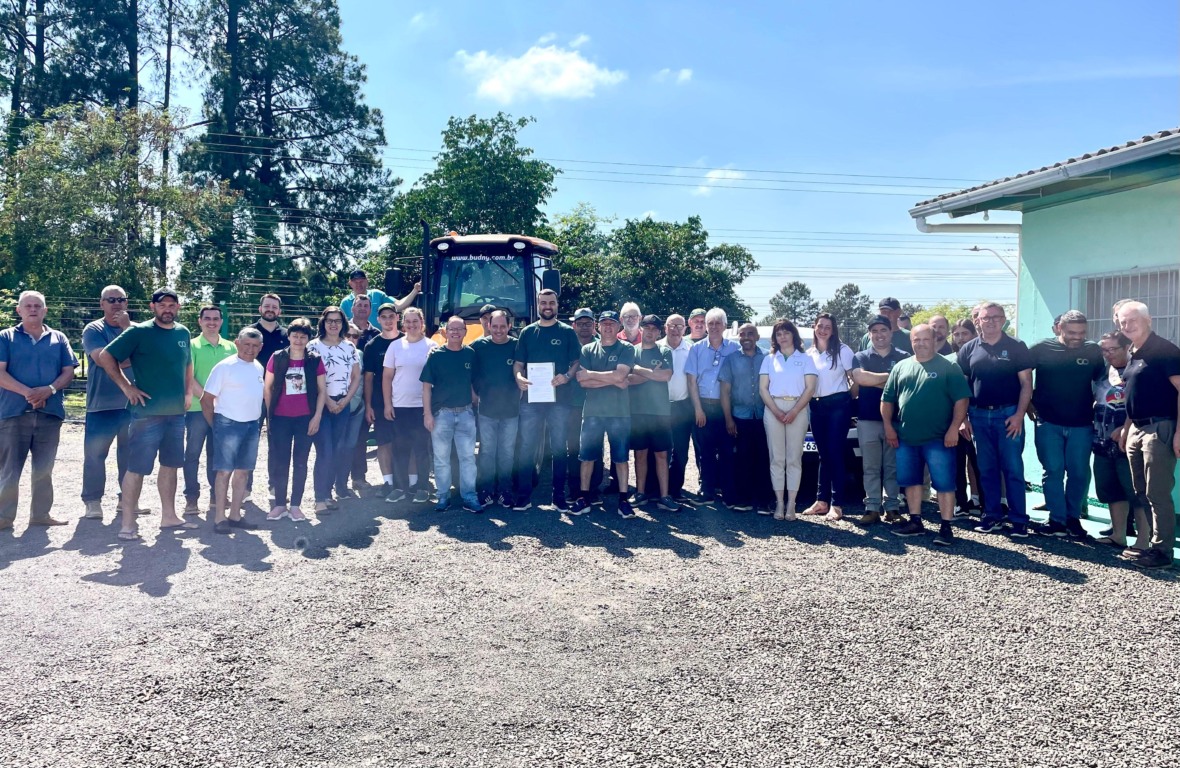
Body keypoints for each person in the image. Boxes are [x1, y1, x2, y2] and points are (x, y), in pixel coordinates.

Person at [96, 288, 195, 540]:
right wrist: (126, 387)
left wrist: (187, 392)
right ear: (153, 307)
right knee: (137, 468)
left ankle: (169, 517)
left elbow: (187, 363)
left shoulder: (183, 332)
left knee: (171, 465)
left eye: (172, 305)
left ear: (178, 307)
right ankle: (128, 524)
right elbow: (106, 356)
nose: (167, 309)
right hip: (146, 415)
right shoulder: (138, 332)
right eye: (162, 305)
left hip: (176, 414)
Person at [881, 324, 971, 546]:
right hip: (906, 438)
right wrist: (889, 427)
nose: (920, 343)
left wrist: (954, 428)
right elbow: (887, 400)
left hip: (939, 438)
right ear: (911, 341)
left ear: (934, 340)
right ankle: (915, 522)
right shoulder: (901, 367)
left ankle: (946, 527)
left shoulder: (948, 366)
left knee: (944, 483)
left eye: (925, 339)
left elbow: (962, 400)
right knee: (911, 482)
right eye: (916, 340)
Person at [0, 291, 77, 531]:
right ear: (19, 310)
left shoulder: (58, 338)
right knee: (9, 469)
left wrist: (49, 390)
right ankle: (3, 517)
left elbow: (69, 371)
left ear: (45, 310)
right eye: (28, 306)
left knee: (44, 469)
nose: (33, 309)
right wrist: (30, 394)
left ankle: (41, 514)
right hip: (13, 413)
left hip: (49, 414)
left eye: (37, 306)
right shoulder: (5, 337)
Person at [957, 302, 1033, 538]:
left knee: (1013, 469)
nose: (991, 321)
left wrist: (1019, 415)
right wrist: (963, 419)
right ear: (977, 321)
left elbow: (1026, 384)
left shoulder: (1017, 346)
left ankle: (1019, 520)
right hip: (978, 416)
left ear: (1003, 320)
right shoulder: (968, 349)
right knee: (986, 469)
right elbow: (962, 387)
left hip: (1008, 415)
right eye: (986, 317)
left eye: (996, 317)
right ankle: (992, 516)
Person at [1115, 301, 1180, 570]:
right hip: (1137, 428)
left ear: (1148, 320)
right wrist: (1126, 428)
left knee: (1157, 492)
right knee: (1141, 491)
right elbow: (1135, 394)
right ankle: (1152, 546)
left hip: (1160, 428)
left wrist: (1179, 432)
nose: (1127, 326)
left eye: (1132, 320)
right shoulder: (1133, 351)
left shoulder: (1165, 351)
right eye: (1122, 322)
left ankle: (1163, 552)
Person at [1029, 310, 1105, 538]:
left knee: (1078, 473)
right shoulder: (1041, 348)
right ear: (1059, 328)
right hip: (1048, 422)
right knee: (1052, 471)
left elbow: (1103, 382)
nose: (1077, 337)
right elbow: (1020, 375)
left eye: (1082, 333)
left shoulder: (1092, 350)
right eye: (1072, 332)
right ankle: (1056, 520)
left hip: (1081, 423)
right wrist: (1027, 403)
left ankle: (1073, 518)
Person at [512, 289, 580, 511]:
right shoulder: (528, 333)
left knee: (559, 448)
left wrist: (567, 376)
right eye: (543, 303)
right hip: (531, 400)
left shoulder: (567, 332)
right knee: (526, 447)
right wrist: (519, 378)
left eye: (551, 302)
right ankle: (524, 496)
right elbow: (518, 364)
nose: (547, 306)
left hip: (559, 400)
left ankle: (558, 496)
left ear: (557, 305)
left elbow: (576, 362)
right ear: (538, 305)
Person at [570, 311, 636, 517]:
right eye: (604, 323)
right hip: (592, 412)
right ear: (598, 326)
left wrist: (593, 375)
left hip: (619, 413)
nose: (608, 327)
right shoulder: (588, 349)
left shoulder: (626, 348)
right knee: (587, 457)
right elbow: (582, 381)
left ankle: (623, 500)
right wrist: (613, 380)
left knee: (621, 458)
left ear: (618, 327)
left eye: (612, 323)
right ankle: (584, 498)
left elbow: (621, 375)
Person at [200, 328, 265, 533]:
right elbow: (206, 399)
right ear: (237, 343)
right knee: (224, 471)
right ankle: (220, 518)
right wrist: (216, 426)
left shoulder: (258, 367)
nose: (250, 349)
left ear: (261, 347)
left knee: (243, 471)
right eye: (246, 344)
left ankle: (235, 515)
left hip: (252, 425)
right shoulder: (224, 367)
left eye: (255, 346)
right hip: (228, 424)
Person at [1091, 331, 1149, 551]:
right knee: (1111, 489)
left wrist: (1126, 428)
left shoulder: (1139, 370)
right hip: (1102, 440)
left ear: (1126, 347)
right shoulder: (1102, 371)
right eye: (1104, 350)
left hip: (1129, 442)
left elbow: (1144, 404)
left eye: (1112, 349)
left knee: (1136, 492)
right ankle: (1118, 535)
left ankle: (1143, 541)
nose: (1107, 354)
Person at [850, 315, 910, 526]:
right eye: (874, 331)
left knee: (892, 467)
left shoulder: (904, 356)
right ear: (869, 335)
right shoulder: (860, 356)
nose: (879, 335)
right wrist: (890, 376)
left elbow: (904, 383)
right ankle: (872, 507)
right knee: (870, 467)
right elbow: (860, 378)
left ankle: (892, 507)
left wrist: (873, 379)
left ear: (891, 332)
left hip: (895, 420)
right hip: (867, 419)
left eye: (883, 330)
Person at [79, 285, 133, 520]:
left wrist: (127, 329)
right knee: (95, 456)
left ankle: (127, 500)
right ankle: (92, 502)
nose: (116, 304)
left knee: (129, 456)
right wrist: (128, 355)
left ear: (127, 303)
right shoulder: (93, 329)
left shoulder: (134, 329)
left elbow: (143, 359)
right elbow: (103, 360)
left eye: (121, 299)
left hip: (131, 404)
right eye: (111, 300)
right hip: (101, 405)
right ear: (101, 304)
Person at [265, 318, 325, 522]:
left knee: (300, 462)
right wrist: (270, 415)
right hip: (280, 418)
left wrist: (316, 416)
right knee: (280, 461)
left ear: (308, 339)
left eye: (303, 337)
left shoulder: (314, 359)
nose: (298, 340)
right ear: (289, 336)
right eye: (295, 336)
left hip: (305, 418)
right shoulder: (277, 357)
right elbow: (267, 388)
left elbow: (322, 390)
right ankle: (280, 504)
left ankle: (296, 505)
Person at [759, 319, 818, 520]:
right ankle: (779, 503)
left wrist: (794, 411)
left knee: (794, 458)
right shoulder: (769, 359)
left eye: (786, 332)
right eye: (779, 334)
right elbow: (763, 389)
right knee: (777, 458)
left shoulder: (806, 358)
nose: (782, 337)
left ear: (793, 335)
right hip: (773, 408)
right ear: (775, 338)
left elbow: (810, 388)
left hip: (798, 408)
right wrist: (776, 411)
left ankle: (791, 504)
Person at [421, 317, 480, 512]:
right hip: (442, 415)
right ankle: (443, 496)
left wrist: (474, 398)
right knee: (441, 459)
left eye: (459, 329)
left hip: (465, 413)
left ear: (465, 331)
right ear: (445, 331)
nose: (455, 332)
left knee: (468, 458)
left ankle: (469, 496)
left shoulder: (470, 354)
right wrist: (427, 414)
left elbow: (472, 381)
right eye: (451, 329)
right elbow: (426, 387)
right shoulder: (436, 356)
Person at [183, 305, 235, 515]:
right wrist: (207, 399)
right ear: (200, 321)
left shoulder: (231, 348)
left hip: (222, 411)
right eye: (207, 318)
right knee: (192, 454)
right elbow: (188, 377)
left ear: (221, 322)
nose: (211, 322)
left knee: (217, 455)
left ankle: (216, 496)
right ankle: (191, 498)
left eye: (215, 319)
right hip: (197, 409)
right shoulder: (192, 345)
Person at [803, 312, 855, 521]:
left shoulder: (843, 351)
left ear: (833, 330)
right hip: (816, 406)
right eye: (820, 326)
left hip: (838, 406)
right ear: (814, 327)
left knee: (835, 453)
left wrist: (848, 400)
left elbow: (854, 379)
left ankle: (837, 504)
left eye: (828, 327)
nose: (823, 330)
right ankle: (821, 501)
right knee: (823, 455)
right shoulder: (808, 354)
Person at [685, 307, 740, 505]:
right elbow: (691, 381)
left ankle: (728, 493)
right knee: (705, 452)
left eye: (718, 323)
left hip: (726, 409)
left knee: (727, 452)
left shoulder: (735, 348)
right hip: (704, 407)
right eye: (711, 323)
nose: (714, 327)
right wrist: (698, 409)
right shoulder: (696, 349)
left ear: (725, 326)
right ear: (706, 326)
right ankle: (706, 491)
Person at [382, 307, 437, 503]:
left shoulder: (432, 346)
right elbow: (387, 377)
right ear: (403, 324)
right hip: (399, 406)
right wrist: (388, 404)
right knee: (400, 449)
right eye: (408, 321)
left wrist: (430, 410)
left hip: (423, 407)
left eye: (415, 321)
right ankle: (400, 488)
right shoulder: (395, 346)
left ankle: (422, 487)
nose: (412, 325)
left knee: (422, 449)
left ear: (422, 323)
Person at [309, 306, 360, 513]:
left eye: (337, 321)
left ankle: (328, 493)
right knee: (325, 450)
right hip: (320, 405)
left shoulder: (349, 347)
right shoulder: (313, 346)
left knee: (336, 449)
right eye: (329, 320)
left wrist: (345, 401)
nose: (333, 324)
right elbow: (310, 378)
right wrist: (328, 401)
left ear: (343, 323)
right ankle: (319, 498)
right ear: (323, 322)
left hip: (342, 405)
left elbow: (355, 377)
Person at [720, 323, 773, 514]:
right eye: (742, 334)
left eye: (750, 334)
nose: (746, 337)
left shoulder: (768, 357)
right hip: (740, 417)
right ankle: (743, 499)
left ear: (757, 337)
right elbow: (724, 392)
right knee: (742, 459)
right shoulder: (731, 359)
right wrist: (728, 419)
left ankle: (764, 501)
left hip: (765, 416)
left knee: (764, 458)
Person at [628, 315, 678, 511]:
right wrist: (651, 373)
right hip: (637, 412)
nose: (650, 331)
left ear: (659, 332)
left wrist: (639, 369)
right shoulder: (632, 351)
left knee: (661, 455)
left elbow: (666, 375)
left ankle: (664, 496)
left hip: (660, 413)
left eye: (654, 329)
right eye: (646, 328)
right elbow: (628, 379)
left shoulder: (664, 351)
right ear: (641, 329)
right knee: (640, 454)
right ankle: (640, 493)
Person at [472, 310, 520, 507]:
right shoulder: (478, 346)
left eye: (503, 326)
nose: (499, 330)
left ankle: (504, 491)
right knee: (487, 453)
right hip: (486, 410)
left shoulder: (517, 346)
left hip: (511, 410)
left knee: (507, 453)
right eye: (495, 326)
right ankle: (486, 489)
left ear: (509, 326)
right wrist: (472, 393)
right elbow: (461, 359)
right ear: (488, 326)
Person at [565, 308, 603, 502]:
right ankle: (575, 489)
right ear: (574, 326)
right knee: (573, 447)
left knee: (595, 447)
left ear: (594, 325)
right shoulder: (568, 345)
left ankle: (593, 490)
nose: (584, 327)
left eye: (588, 323)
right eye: (580, 323)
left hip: (597, 404)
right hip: (572, 403)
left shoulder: (602, 345)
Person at [363, 304, 400, 500]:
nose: (388, 320)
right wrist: (368, 405)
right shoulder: (372, 346)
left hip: (406, 402)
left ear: (397, 318)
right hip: (380, 402)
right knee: (384, 442)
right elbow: (368, 378)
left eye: (391, 316)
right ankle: (388, 482)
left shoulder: (407, 340)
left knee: (407, 441)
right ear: (378, 320)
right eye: (384, 317)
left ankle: (408, 481)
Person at [949, 318, 983, 515]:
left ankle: (983, 503)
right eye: (957, 334)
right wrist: (960, 419)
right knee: (957, 462)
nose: (960, 338)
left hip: (978, 416)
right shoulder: (948, 360)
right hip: (955, 418)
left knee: (979, 463)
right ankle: (960, 503)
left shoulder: (980, 356)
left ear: (974, 334)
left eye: (965, 333)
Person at [663, 313, 695, 503]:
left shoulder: (691, 350)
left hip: (683, 406)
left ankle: (675, 490)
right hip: (660, 406)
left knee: (680, 452)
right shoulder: (657, 347)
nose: (675, 329)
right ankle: (656, 490)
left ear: (685, 329)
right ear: (665, 327)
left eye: (679, 326)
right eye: (672, 325)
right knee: (659, 450)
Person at [340, 268, 419, 321]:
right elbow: (341, 325)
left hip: (378, 338)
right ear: (350, 284)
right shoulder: (345, 303)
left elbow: (398, 306)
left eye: (361, 281)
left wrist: (415, 290)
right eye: (355, 282)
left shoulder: (377, 295)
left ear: (367, 281)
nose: (359, 284)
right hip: (355, 338)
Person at [250, 293, 289, 369]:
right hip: (253, 376)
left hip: (279, 377)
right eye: (267, 306)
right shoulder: (248, 332)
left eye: (274, 307)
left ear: (279, 311)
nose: (270, 310)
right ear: (260, 309)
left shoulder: (288, 335)